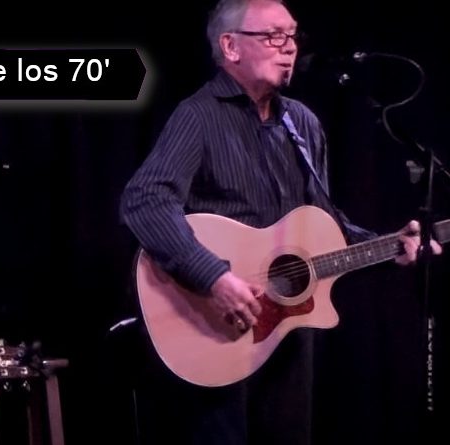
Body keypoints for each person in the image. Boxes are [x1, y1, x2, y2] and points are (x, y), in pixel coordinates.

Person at [119, 0, 442, 444]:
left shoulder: (302, 123)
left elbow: (326, 224)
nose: (288, 47)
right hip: (217, 324)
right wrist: (213, 276)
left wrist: (390, 246)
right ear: (230, 47)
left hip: (289, 328)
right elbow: (145, 199)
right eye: (273, 36)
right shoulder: (198, 115)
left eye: (292, 36)